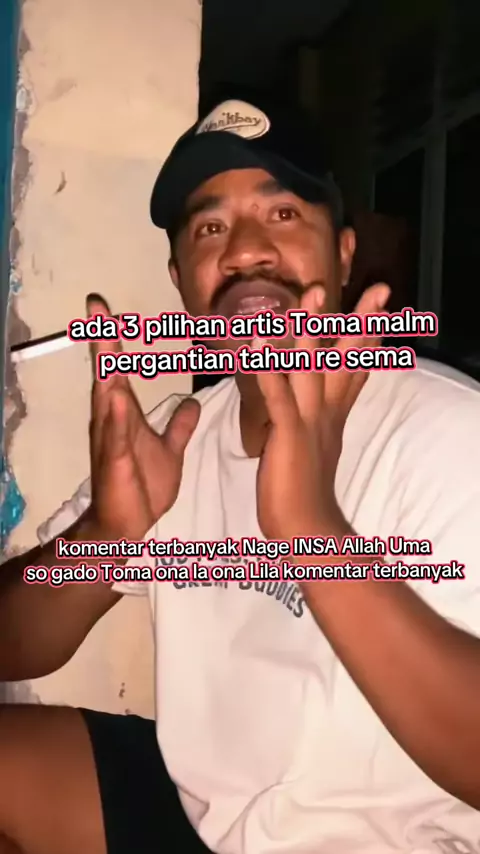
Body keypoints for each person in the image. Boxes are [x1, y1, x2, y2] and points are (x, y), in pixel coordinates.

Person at [0, 95, 480, 854]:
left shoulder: (450, 432)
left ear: (344, 255)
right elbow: (13, 647)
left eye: (283, 214)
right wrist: (107, 534)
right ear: (181, 281)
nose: (247, 250)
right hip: (209, 818)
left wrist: (313, 535)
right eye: (210, 228)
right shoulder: (180, 435)